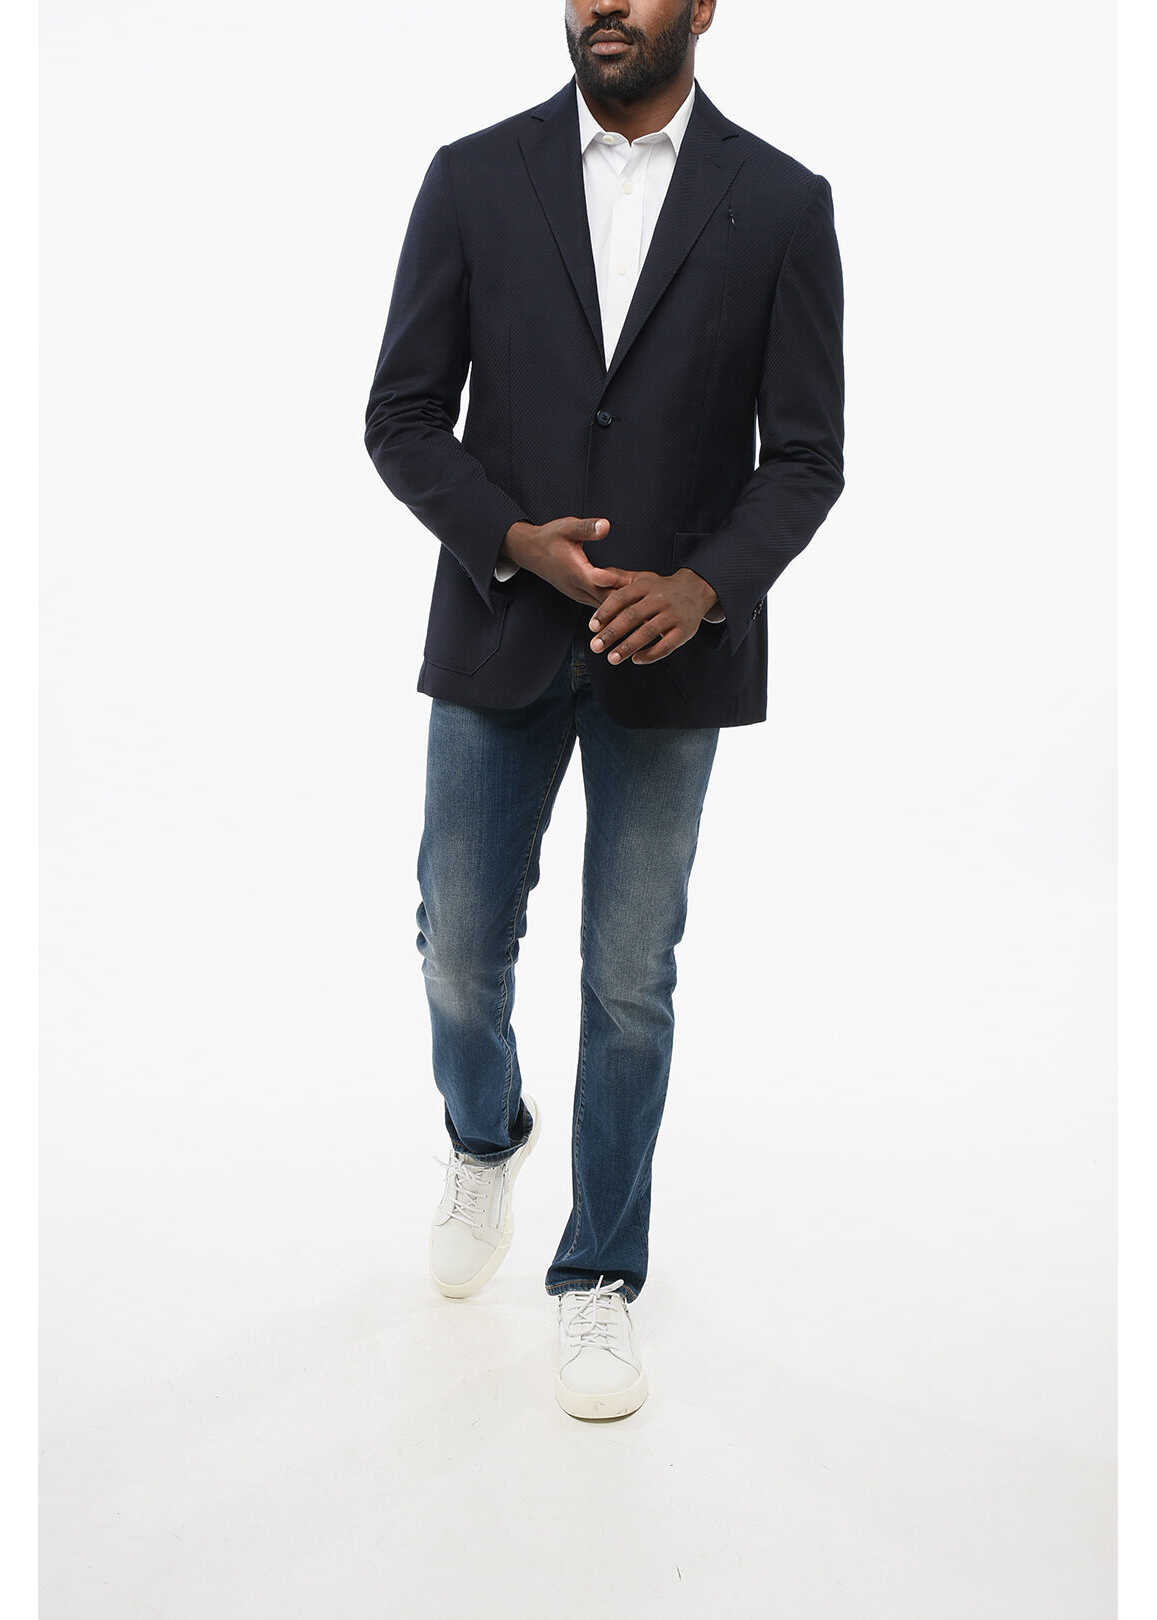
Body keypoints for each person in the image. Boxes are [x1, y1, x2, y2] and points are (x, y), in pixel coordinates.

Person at [363, 0, 845, 1421]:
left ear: (704, 6)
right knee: (459, 950)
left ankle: (598, 1277)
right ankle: (484, 1135)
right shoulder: (473, 175)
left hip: (671, 652)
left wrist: (704, 588)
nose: (602, 5)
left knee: (630, 981)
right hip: (500, 624)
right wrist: (510, 540)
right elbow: (402, 417)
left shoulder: (781, 203)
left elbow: (805, 456)